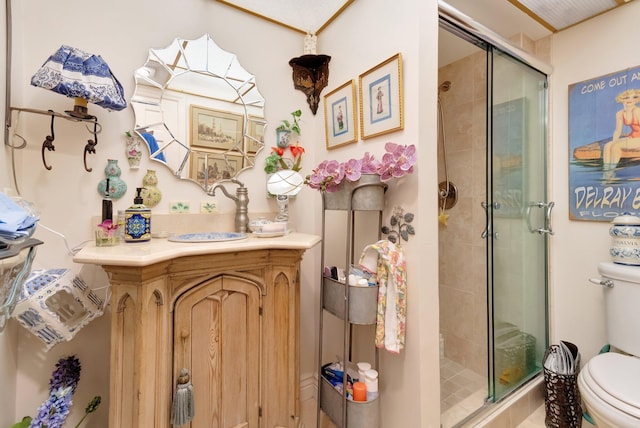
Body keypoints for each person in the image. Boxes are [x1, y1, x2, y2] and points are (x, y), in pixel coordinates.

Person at [602, 88, 640, 178]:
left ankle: (611, 172)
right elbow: (617, 131)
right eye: (627, 97)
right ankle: (606, 172)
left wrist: (616, 143)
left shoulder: (638, 111)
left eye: (634, 97)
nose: (630, 100)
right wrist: (615, 140)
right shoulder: (620, 113)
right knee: (608, 146)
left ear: (637, 100)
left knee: (616, 146)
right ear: (622, 99)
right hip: (633, 136)